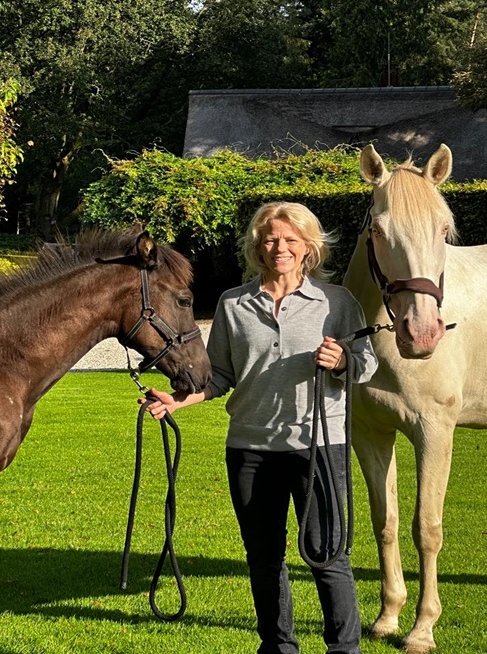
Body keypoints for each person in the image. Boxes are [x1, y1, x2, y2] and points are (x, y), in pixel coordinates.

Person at [143, 201, 378, 654]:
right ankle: (277, 646)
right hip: (250, 447)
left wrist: (343, 360)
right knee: (264, 560)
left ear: (309, 246)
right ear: (258, 245)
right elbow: (221, 376)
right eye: (271, 239)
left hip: (318, 446)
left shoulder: (336, 302)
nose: (280, 247)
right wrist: (178, 400)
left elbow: (366, 365)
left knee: (328, 556)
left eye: (291, 239)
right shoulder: (234, 303)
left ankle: (343, 649)